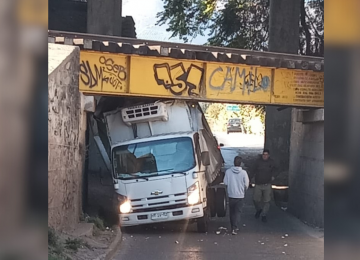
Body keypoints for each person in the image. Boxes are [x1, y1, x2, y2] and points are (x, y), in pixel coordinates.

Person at [250, 149, 278, 223]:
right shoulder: (257, 162)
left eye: (266, 155)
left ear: (268, 155)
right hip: (258, 184)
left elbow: (276, 169)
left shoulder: (271, 162)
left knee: (267, 201)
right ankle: (259, 209)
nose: (265, 156)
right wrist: (250, 179)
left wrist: (274, 176)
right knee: (255, 199)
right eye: (263, 154)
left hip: (267, 184)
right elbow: (252, 170)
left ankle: (264, 215)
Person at [224, 156, 249, 235]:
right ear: (240, 163)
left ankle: (232, 227)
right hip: (240, 196)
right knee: (238, 212)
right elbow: (246, 184)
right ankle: (235, 227)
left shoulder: (228, 172)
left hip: (231, 195)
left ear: (233, 162)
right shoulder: (243, 173)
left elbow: (225, 182)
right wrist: (244, 190)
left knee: (231, 212)